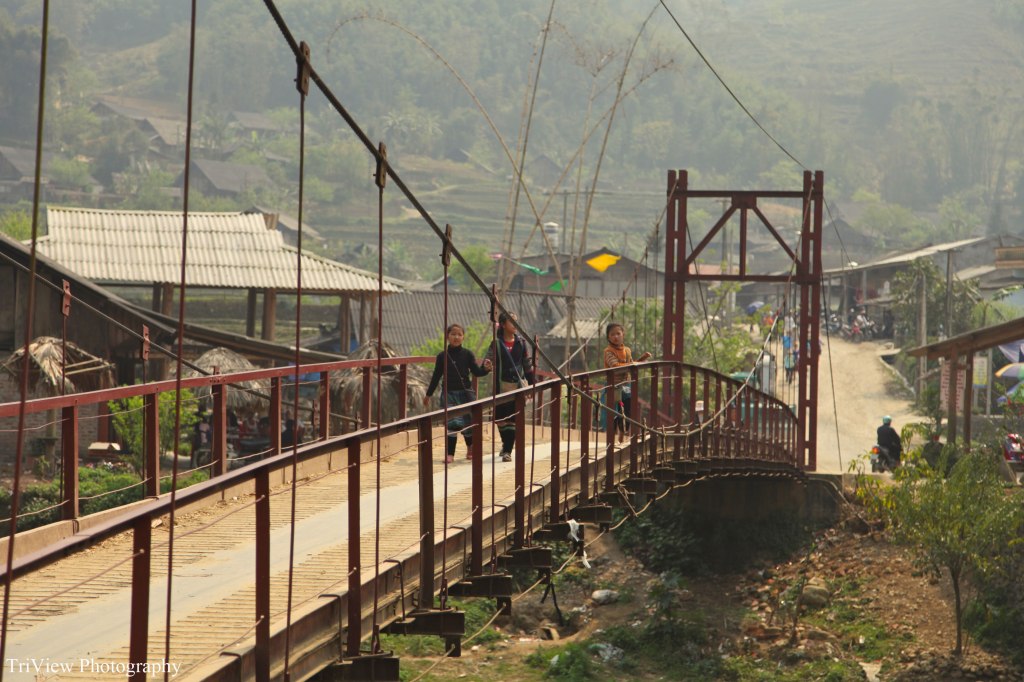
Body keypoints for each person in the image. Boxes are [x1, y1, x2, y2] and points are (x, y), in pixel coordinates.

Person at [424, 323, 492, 463]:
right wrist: (428, 394)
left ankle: (470, 449)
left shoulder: (467, 354)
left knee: (467, 423)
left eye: (459, 334)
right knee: (452, 424)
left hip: (465, 394)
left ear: (463, 337)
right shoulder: (442, 356)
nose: (456, 337)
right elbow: (436, 377)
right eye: (453, 334)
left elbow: (476, 372)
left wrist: (486, 369)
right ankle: (450, 454)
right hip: (449, 393)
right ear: (447, 336)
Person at [487, 311, 534, 462]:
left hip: (517, 387)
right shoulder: (496, 343)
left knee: (513, 419)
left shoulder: (521, 343)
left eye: (516, 321)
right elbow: (488, 360)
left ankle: (508, 450)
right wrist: (486, 365)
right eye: (511, 322)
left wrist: (533, 384)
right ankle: (505, 443)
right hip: (501, 386)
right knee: (500, 420)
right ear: (503, 325)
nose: (515, 325)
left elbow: (527, 365)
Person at [603, 322, 652, 443]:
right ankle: (612, 439)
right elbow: (615, 365)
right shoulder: (608, 351)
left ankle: (622, 433)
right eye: (612, 334)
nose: (616, 337)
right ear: (608, 337)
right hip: (613, 385)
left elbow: (630, 363)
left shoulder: (627, 350)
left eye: (618, 334)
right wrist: (633, 364)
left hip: (626, 385)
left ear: (623, 335)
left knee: (628, 411)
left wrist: (641, 360)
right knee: (613, 412)